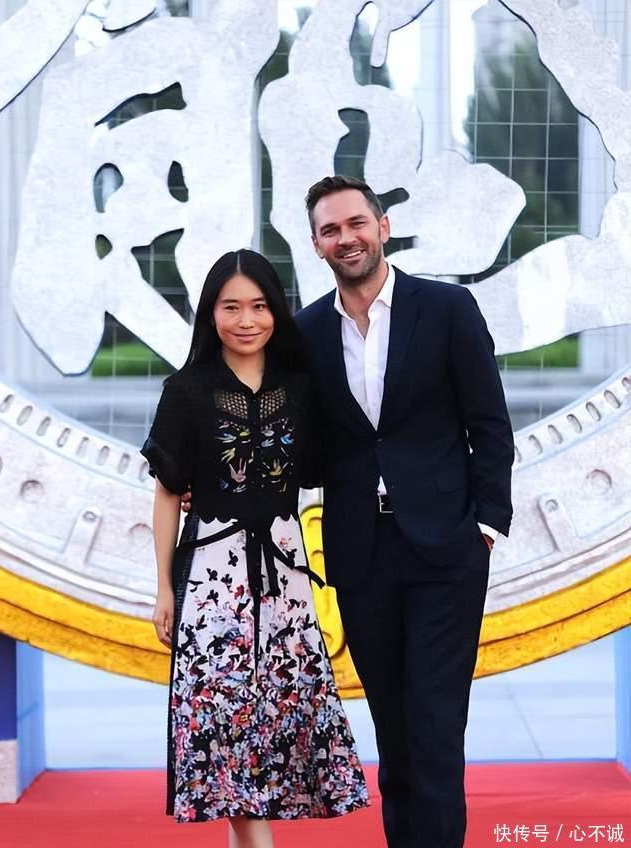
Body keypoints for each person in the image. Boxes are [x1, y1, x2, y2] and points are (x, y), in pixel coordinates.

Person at [294, 175, 515, 848]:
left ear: (382, 228)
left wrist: (484, 526)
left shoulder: (446, 309)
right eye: (331, 229)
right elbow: (305, 449)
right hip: (361, 555)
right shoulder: (306, 332)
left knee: (436, 727)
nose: (346, 238)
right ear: (316, 244)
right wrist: (211, 477)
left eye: (356, 223)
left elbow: (489, 423)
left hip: (446, 550)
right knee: (392, 731)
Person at [141, 249, 368, 847]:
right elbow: (167, 493)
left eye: (260, 306)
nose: (246, 320)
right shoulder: (186, 390)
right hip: (211, 577)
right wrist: (163, 588)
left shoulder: (302, 388)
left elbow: (326, 464)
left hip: (286, 578)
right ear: (210, 313)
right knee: (223, 711)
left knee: (277, 711)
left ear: (276, 311)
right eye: (231, 307)